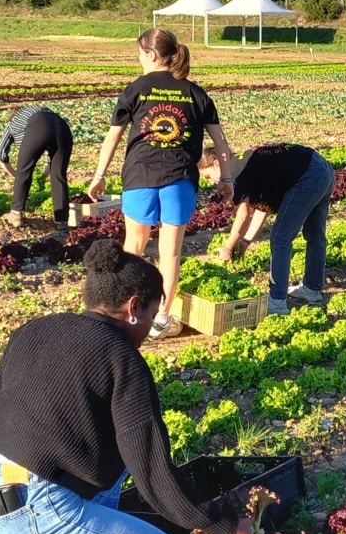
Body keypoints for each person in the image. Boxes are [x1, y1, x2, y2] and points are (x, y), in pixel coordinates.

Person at [0, 240, 260, 534]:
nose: (149, 329)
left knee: (112, 454)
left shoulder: (34, 330)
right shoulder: (122, 359)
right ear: (134, 307)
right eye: (153, 315)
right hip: (40, 519)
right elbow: (154, 476)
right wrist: (226, 528)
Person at [86, 27, 239, 341]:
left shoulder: (136, 89)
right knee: (170, 254)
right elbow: (221, 144)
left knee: (133, 249)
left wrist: (99, 176)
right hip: (180, 179)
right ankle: (161, 321)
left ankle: (121, 314)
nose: (139, 60)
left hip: (139, 177)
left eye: (140, 54)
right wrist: (226, 179)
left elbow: (112, 138)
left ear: (151, 55)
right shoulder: (195, 93)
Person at [201, 143, 334, 316]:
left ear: (216, 163)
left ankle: (277, 302)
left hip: (306, 177)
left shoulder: (235, 175)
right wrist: (246, 241)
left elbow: (242, 217)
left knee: (280, 238)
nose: (211, 183)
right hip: (322, 169)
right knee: (315, 235)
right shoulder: (244, 162)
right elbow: (263, 207)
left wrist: (227, 248)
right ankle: (312, 289)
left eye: (208, 176)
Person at [0, 104, 74, 233]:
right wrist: (45, 173)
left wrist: (17, 176)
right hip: (62, 126)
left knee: (24, 169)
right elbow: (51, 147)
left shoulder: (12, 124)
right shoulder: (38, 112)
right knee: (59, 175)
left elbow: (0, 156)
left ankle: (16, 214)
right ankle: (62, 221)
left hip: (39, 124)